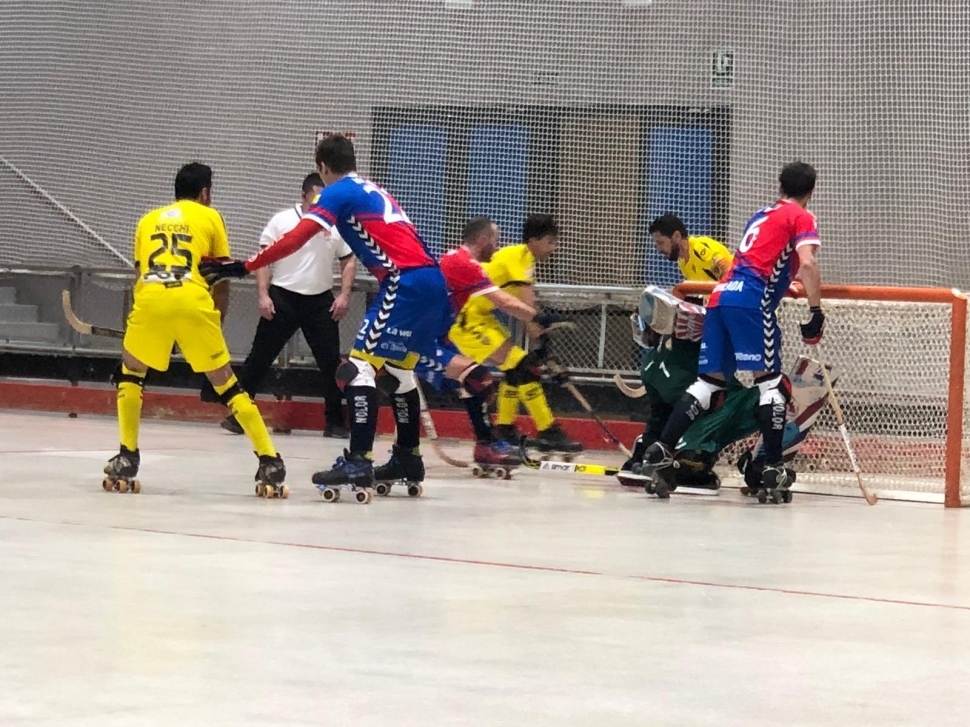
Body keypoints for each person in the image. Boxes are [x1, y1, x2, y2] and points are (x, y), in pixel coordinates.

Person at [200, 135, 494, 491]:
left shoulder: (336, 192)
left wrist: (244, 266)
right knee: (398, 370)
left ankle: (358, 461)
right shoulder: (371, 188)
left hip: (403, 283)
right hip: (432, 282)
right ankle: (407, 457)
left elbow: (296, 238)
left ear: (323, 167)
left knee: (356, 369)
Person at [642, 161, 824, 496]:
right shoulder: (802, 216)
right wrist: (815, 311)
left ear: (779, 186)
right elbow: (808, 263)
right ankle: (772, 467)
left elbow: (760, 261)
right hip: (751, 302)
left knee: (708, 384)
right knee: (771, 384)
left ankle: (662, 448)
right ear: (811, 191)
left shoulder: (760, 215)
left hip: (720, 297)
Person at [103, 163, 285, 494]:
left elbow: (139, 277)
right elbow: (220, 276)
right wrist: (215, 323)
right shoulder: (210, 217)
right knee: (228, 385)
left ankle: (127, 455)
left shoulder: (147, 220)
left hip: (151, 300)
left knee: (131, 374)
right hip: (192, 299)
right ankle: (269, 460)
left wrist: (155, 331)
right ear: (205, 192)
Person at [219, 172, 355, 439]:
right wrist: (263, 295)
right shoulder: (282, 220)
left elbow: (348, 259)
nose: (319, 203)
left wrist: (344, 295)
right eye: (315, 197)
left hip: (320, 301)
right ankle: (239, 416)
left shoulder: (334, 224)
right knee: (259, 358)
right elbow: (263, 258)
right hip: (283, 297)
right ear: (303, 195)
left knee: (330, 364)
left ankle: (335, 422)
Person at [436, 216, 560, 468]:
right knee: (478, 380)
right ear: (483, 240)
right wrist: (538, 317)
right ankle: (510, 435)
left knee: (477, 381)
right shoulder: (466, 264)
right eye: (495, 240)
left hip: (444, 331)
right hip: (435, 334)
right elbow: (504, 301)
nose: (497, 246)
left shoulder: (460, 259)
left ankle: (491, 440)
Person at [621, 214, 734, 476]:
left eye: (660, 243)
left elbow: (731, 274)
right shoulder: (684, 263)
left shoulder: (702, 249)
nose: (659, 249)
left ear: (676, 237)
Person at [481, 214, 583, 453]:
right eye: (550, 242)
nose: (553, 248)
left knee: (515, 369)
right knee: (524, 367)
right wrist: (544, 346)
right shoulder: (520, 257)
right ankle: (547, 430)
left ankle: (504, 427)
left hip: (482, 318)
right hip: (466, 317)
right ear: (533, 240)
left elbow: (527, 312)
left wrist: (542, 343)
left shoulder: (520, 258)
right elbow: (530, 314)